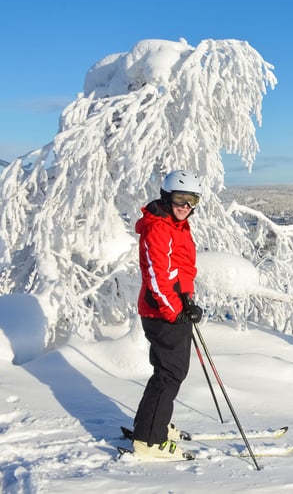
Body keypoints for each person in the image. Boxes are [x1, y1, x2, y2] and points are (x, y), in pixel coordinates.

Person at [131, 170, 205, 461]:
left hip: (172, 308)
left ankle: (152, 424)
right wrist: (175, 310)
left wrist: (187, 299)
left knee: (171, 372)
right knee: (170, 373)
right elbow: (156, 274)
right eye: (180, 199)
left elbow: (182, 267)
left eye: (192, 200)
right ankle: (149, 440)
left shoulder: (177, 225)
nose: (185, 206)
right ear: (166, 196)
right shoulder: (158, 228)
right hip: (161, 311)